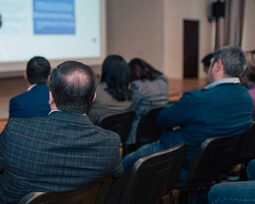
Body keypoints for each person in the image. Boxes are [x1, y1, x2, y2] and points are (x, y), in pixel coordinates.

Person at [0, 61, 123, 204]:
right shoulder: (110, 144)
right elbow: (115, 183)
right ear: (93, 98)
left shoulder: (16, 131)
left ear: (50, 97)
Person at [122, 46, 252, 182]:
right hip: (219, 166)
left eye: (211, 64)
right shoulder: (246, 97)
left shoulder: (198, 99)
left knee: (127, 162)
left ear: (218, 65)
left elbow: (162, 119)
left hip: (180, 162)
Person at [126, 58, 169, 145]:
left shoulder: (137, 85)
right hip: (159, 127)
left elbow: (132, 109)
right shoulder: (163, 81)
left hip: (141, 129)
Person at [87, 55, 132, 124]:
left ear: (105, 71)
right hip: (116, 134)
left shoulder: (96, 92)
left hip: (92, 132)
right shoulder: (131, 97)